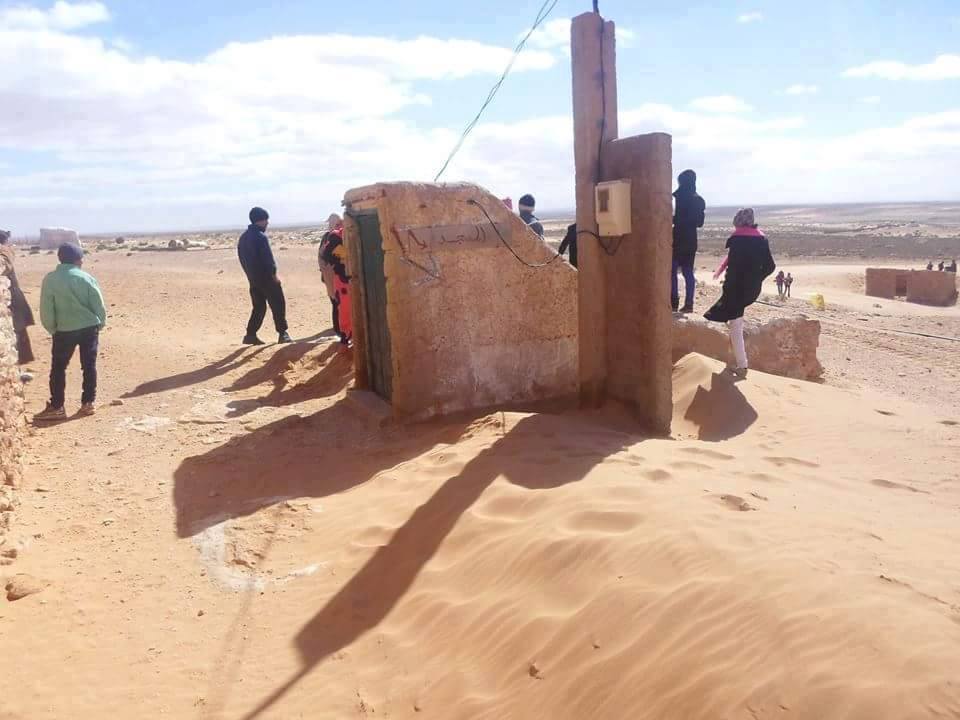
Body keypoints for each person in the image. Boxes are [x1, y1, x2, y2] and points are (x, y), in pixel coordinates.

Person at [33, 243, 106, 421]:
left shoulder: (50, 279)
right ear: (78, 259)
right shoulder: (86, 277)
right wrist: (100, 323)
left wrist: (52, 328)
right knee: (89, 366)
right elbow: (98, 304)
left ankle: (57, 406)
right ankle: (88, 403)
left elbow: (46, 309)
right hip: (89, 327)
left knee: (58, 368)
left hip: (64, 330)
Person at [705, 208, 776, 380]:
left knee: (734, 324)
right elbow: (770, 267)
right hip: (751, 289)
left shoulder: (737, 240)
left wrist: (728, 283)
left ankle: (742, 365)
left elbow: (734, 268)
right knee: (733, 322)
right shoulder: (761, 239)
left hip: (735, 289)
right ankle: (737, 361)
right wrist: (755, 278)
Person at [238, 207, 291, 345]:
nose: (267, 223)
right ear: (260, 220)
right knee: (278, 304)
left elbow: (242, 260)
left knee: (259, 307)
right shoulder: (260, 237)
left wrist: (251, 276)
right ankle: (282, 333)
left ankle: (250, 334)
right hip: (267, 278)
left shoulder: (243, 238)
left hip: (253, 279)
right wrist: (274, 276)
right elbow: (268, 259)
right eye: (266, 220)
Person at [671, 169, 706, 313]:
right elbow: (699, 222)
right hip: (691, 239)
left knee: (672, 270)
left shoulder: (679, 196)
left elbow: (675, 218)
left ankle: (673, 302)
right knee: (688, 272)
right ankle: (689, 304)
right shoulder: (698, 200)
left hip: (678, 237)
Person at [0, 229, 35, 366]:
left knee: (17, 330)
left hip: (11, 295)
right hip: (11, 295)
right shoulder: (5, 250)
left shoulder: (4, 251)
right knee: (17, 330)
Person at [319, 214, 352, 349]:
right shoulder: (333, 237)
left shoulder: (344, 235)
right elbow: (326, 256)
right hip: (339, 279)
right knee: (341, 307)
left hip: (344, 279)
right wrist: (344, 258)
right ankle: (343, 335)